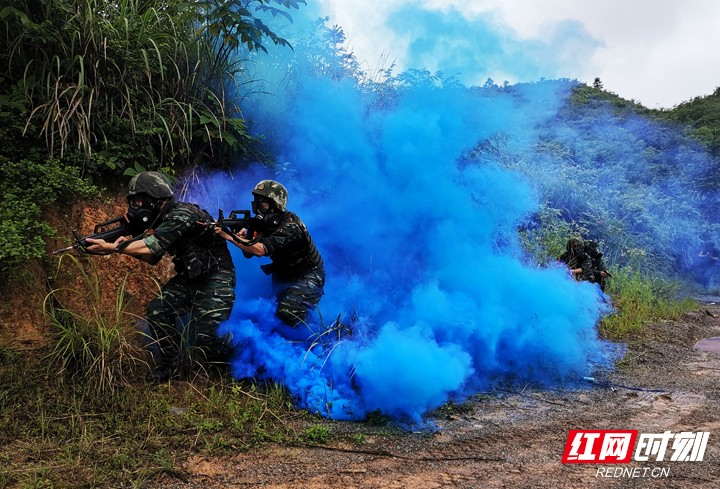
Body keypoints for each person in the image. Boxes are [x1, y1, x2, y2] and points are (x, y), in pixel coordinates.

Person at [85, 171, 236, 381]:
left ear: (156, 199)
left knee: (205, 337)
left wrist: (114, 247)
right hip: (189, 279)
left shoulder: (183, 214)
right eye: (133, 201)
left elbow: (152, 246)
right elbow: (151, 258)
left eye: (139, 201)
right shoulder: (161, 219)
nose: (135, 207)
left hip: (216, 278)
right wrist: (117, 247)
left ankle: (238, 354)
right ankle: (170, 364)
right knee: (158, 310)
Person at [215, 180, 325, 327]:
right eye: (256, 203)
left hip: (308, 273)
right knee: (276, 313)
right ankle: (289, 339)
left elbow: (260, 251)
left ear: (275, 205)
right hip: (283, 271)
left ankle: (314, 335)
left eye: (263, 204)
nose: (258, 208)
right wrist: (242, 238)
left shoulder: (291, 225)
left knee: (289, 312)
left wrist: (229, 237)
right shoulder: (262, 223)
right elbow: (249, 254)